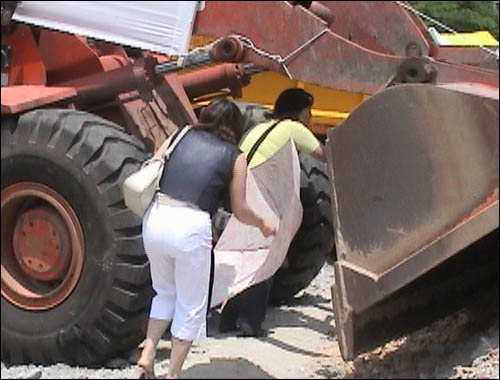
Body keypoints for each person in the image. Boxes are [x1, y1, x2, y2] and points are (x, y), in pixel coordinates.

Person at [136, 98, 277, 379]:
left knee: (164, 292)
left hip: (156, 217)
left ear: (206, 115)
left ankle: (148, 353)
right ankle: (173, 374)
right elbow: (240, 209)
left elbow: (154, 162)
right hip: (190, 226)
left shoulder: (181, 133)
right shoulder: (235, 156)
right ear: (236, 126)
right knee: (191, 305)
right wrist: (263, 224)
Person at [219, 88, 326, 337]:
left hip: (240, 192)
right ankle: (250, 323)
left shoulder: (257, 129)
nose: (309, 117)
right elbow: (324, 156)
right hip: (262, 194)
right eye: (308, 111)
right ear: (299, 111)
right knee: (266, 259)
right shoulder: (294, 127)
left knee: (244, 257)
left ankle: (228, 318)